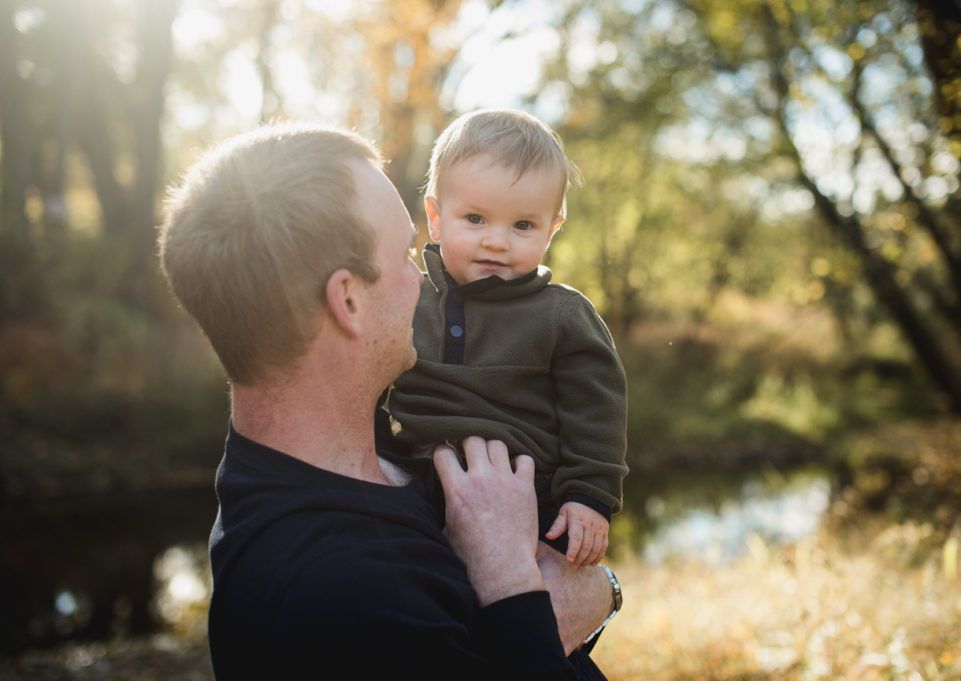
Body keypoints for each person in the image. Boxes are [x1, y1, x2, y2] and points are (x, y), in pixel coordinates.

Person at [157, 123, 620, 679]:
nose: (422, 280)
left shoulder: (308, 465)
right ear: (348, 300)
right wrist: (515, 588)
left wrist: (597, 584)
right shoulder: (345, 592)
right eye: (405, 255)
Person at [385, 109, 628, 566]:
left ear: (551, 230)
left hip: (528, 489)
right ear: (436, 219)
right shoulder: (407, 297)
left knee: (529, 594)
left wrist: (589, 496)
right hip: (415, 476)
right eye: (475, 218)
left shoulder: (560, 313)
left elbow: (596, 408)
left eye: (522, 226)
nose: (497, 242)